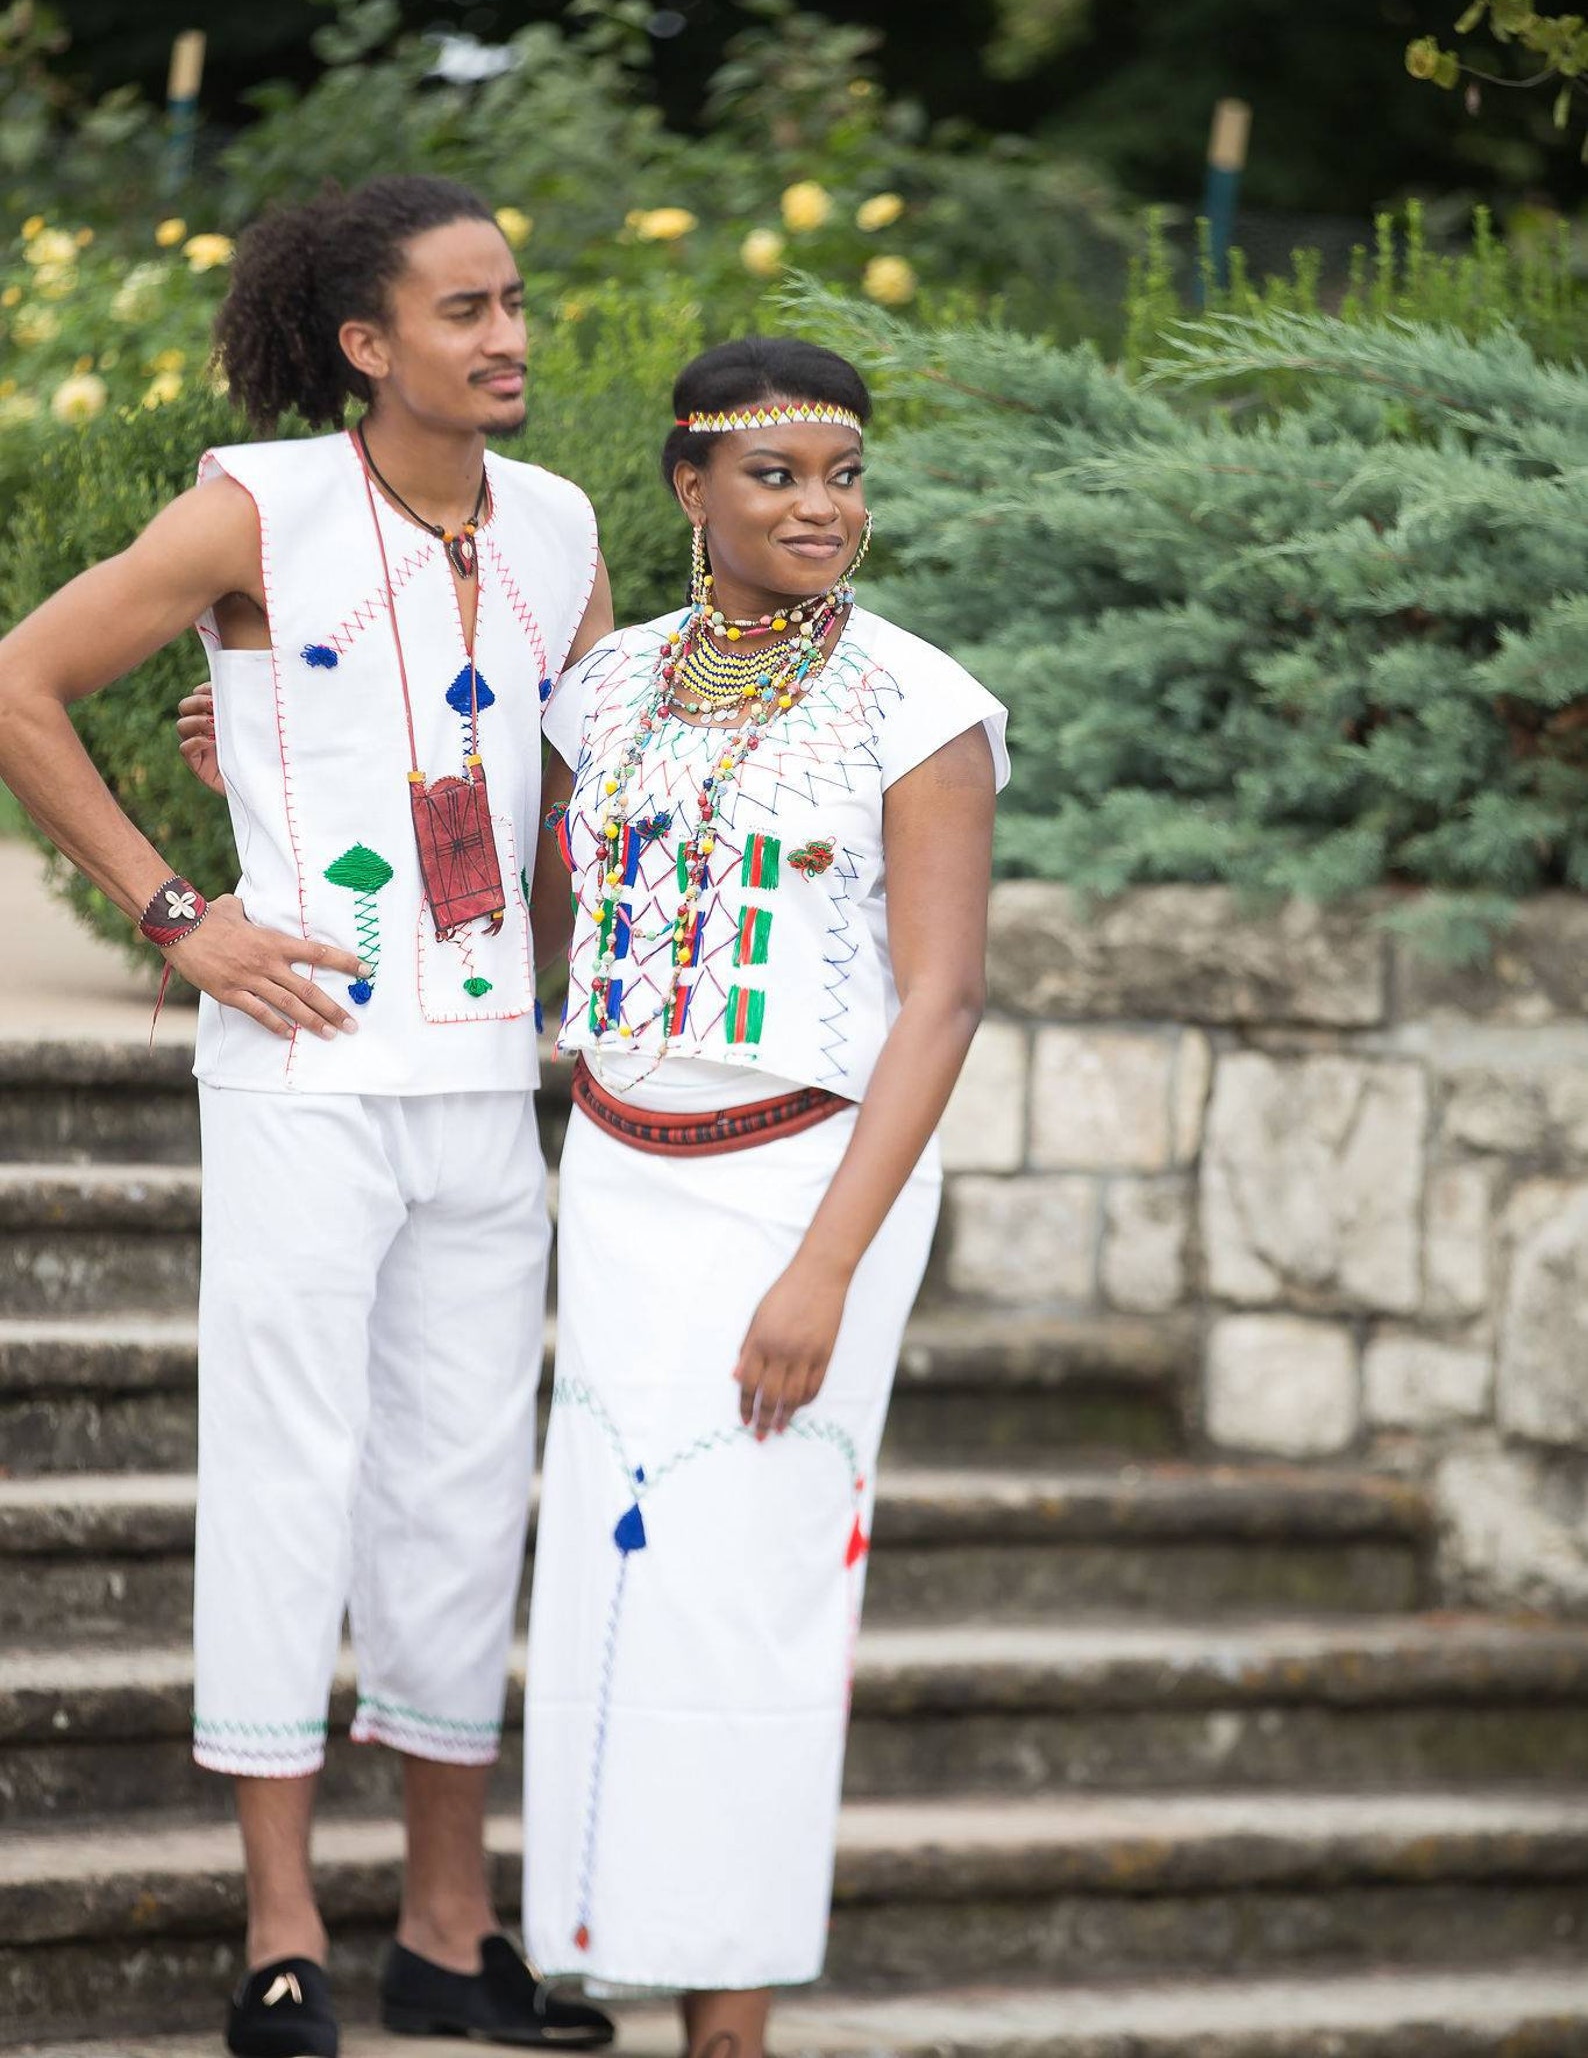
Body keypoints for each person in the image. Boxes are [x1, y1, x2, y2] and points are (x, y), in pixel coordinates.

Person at [0, 175, 615, 2058]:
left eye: (515, 302)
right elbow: (20, 682)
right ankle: (282, 1932)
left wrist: (593, 1013)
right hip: (305, 1084)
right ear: (367, 343)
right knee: (288, 1483)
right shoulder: (256, 504)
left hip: (487, 1090)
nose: (508, 336)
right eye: (466, 310)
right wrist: (178, 916)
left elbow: (575, 787)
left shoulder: (565, 521)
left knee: (456, 1501)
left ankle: (447, 1929)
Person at [525, 336, 1007, 2058]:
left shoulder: (920, 705)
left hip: (807, 1186)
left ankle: (729, 2014)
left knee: (750, 1593)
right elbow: (519, 890)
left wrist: (822, 1266)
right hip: (620, 1178)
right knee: (614, 1571)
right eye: (776, 476)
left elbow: (941, 1004)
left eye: (844, 475)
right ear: (689, 488)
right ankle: (614, 1936)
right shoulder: (607, 690)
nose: (823, 508)